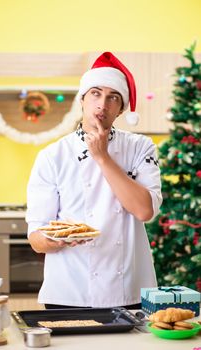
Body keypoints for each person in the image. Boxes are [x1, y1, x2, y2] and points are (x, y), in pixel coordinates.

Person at [26, 52, 162, 309]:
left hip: (129, 291)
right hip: (68, 292)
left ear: (121, 108)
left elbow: (145, 210)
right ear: (83, 99)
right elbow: (36, 237)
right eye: (96, 94)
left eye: (113, 97)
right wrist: (54, 241)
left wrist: (102, 158)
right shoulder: (52, 156)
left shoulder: (140, 147)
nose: (103, 104)